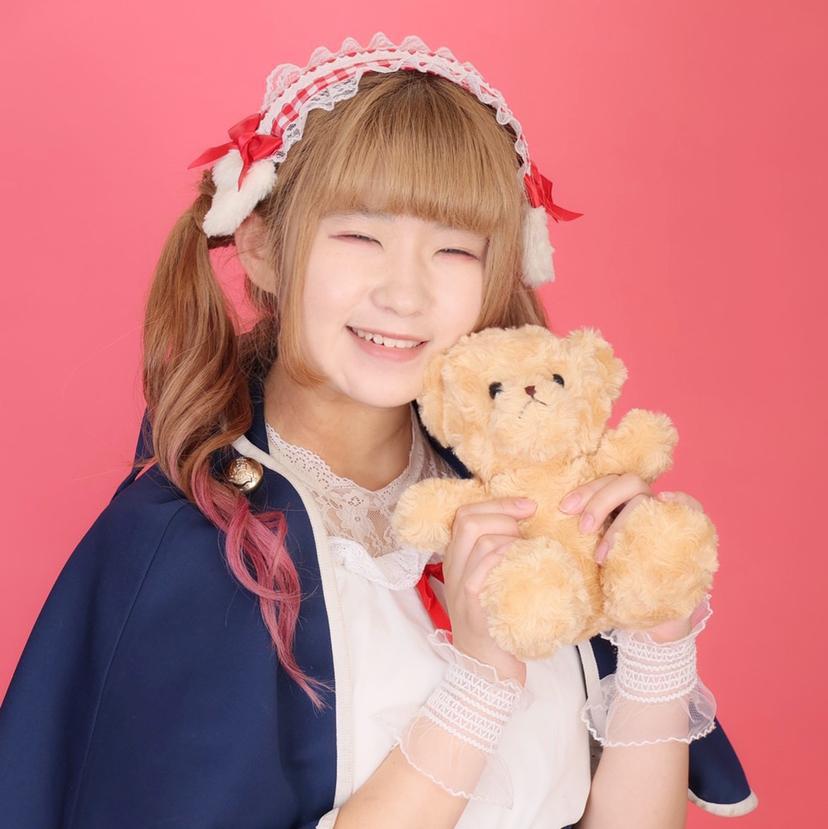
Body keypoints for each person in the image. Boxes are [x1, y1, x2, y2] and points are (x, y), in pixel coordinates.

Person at [0, 32, 758, 828]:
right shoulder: (186, 545)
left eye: (454, 249)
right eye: (361, 236)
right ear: (261, 246)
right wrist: (477, 687)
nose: (406, 294)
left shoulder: (526, 502)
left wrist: (656, 636)